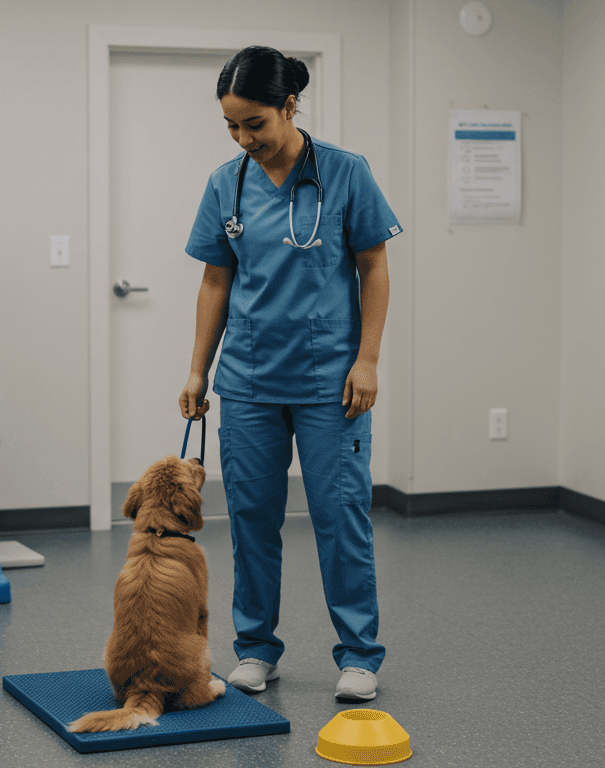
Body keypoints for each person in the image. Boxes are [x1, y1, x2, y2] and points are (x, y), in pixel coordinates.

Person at [179, 45, 401, 702]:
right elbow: (215, 281)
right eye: (232, 126)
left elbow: (374, 268)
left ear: (290, 105)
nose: (244, 138)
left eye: (255, 123)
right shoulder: (225, 183)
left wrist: (368, 359)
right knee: (251, 518)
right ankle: (255, 649)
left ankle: (358, 655)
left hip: (331, 382)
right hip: (248, 380)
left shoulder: (345, 172)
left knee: (341, 517)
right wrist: (197, 371)